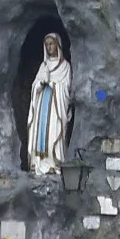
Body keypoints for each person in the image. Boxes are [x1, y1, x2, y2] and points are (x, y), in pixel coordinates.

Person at [26, 33, 72, 175]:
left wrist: (53, 85)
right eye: (47, 45)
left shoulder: (65, 66)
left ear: (57, 45)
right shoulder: (43, 65)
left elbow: (67, 88)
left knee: (53, 131)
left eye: (51, 44)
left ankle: (54, 162)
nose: (49, 47)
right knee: (40, 132)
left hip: (55, 107)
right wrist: (41, 83)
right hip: (42, 106)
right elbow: (34, 86)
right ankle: (38, 162)